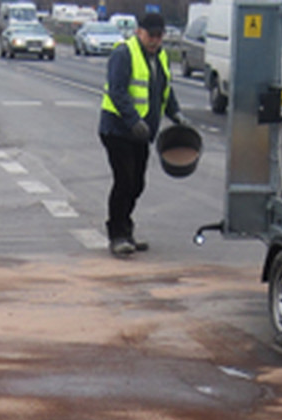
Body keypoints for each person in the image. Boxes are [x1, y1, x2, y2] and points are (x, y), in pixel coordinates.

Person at [98, 12, 187, 257]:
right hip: (116, 130)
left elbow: (164, 91)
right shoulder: (123, 53)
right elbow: (117, 91)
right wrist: (133, 120)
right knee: (124, 181)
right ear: (139, 31)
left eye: (159, 36)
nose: (155, 41)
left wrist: (176, 114)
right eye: (151, 35)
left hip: (140, 134)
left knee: (137, 183)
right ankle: (117, 235)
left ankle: (126, 230)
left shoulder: (161, 57)